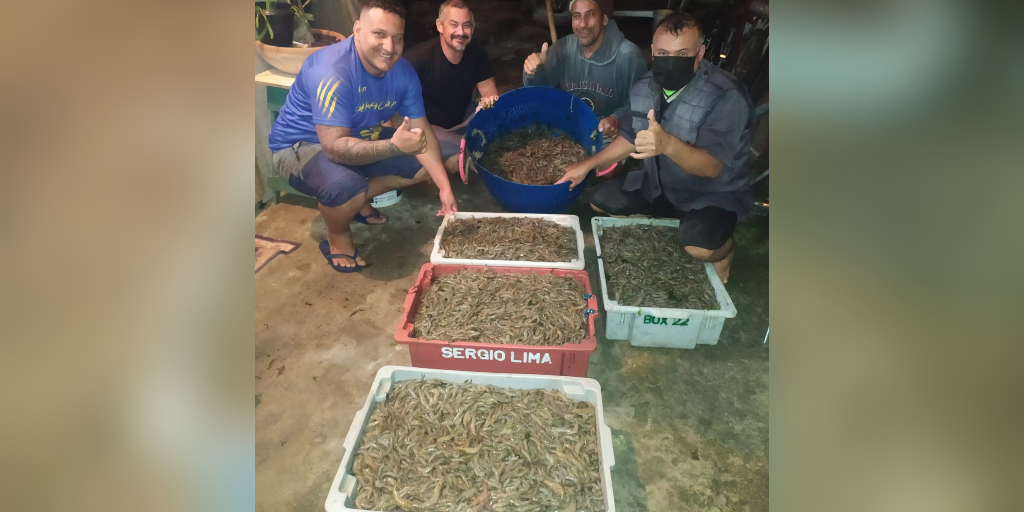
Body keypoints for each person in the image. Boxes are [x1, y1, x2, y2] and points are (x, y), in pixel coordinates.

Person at [555, 13, 754, 283]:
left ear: (701, 52)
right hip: (659, 185)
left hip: (711, 195)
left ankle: (725, 249)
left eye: (682, 52)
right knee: (599, 200)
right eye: (663, 52)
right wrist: (587, 165)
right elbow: (629, 135)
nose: (671, 61)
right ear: (652, 51)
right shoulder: (644, 87)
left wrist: (668, 144)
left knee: (698, 246)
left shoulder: (726, 96)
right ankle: (668, 219)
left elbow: (712, 167)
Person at [268, 0, 460, 273]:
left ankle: (357, 201)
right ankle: (338, 235)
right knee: (345, 187)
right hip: (301, 145)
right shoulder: (332, 72)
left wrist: (444, 187)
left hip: (360, 137)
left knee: (425, 165)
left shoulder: (403, 73)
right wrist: (393, 146)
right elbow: (334, 148)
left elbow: (422, 132)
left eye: (397, 37)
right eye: (379, 34)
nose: (389, 47)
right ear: (357, 30)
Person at [522, 0, 646, 142]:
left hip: (611, 141)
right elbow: (539, 92)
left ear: (604, 18)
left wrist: (616, 119)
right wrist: (533, 72)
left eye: (591, 14)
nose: (582, 24)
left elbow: (641, 108)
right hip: (570, 134)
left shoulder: (629, 56)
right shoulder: (562, 48)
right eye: (576, 16)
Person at [404, 0, 499, 130]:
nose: (461, 32)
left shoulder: (477, 51)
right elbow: (389, 99)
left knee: (493, 115)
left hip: (463, 120)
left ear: (473, 28)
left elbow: (489, 90)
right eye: (454, 25)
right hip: (429, 129)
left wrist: (487, 104)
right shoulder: (417, 59)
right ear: (440, 26)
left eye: (466, 25)